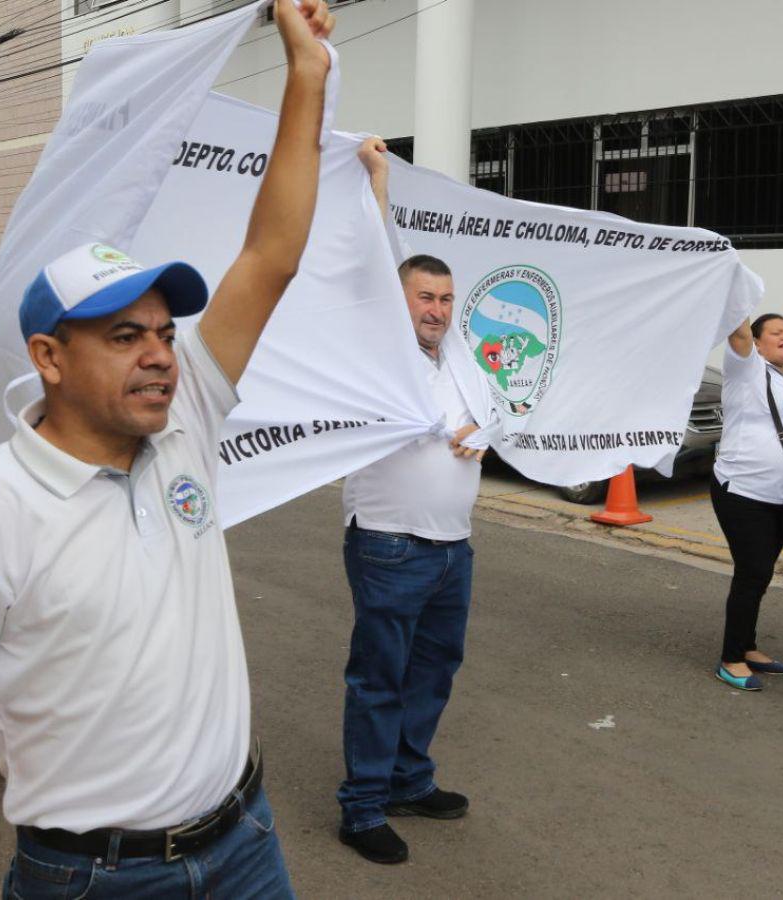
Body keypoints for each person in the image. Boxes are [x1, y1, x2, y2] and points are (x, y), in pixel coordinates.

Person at [0, 3, 334, 896]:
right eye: (125, 336)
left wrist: (306, 75)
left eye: (167, 333)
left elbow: (273, 254)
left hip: (246, 845)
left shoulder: (186, 423)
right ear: (49, 358)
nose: (162, 356)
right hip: (93, 879)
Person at [334, 138, 498, 865]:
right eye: (425, 298)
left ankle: (408, 778)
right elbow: (374, 255)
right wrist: (377, 178)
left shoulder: (455, 354)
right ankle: (362, 807)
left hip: (452, 547)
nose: (437, 310)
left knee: (433, 672)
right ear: (398, 301)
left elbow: (490, 415)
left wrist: (484, 430)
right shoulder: (378, 347)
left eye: (445, 300)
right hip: (389, 543)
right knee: (380, 680)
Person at [709, 314, 783, 691]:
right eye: (776, 332)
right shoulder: (747, 369)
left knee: (761, 572)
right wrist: (730, 274)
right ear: (756, 344)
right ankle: (730, 659)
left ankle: (748, 646)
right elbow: (738, 329)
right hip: (744, 491)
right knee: (752, 571)